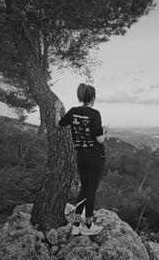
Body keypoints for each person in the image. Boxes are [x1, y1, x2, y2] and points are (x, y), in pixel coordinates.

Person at [54, 83, 108, 236]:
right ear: (93, 97)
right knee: (91, 190)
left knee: (84, 188)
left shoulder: (73, 112)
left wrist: (57, 109)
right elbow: (99, 139)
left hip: (81, 156)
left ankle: (77, 224)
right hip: (96, 156)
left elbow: (58, 124)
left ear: (81, 97)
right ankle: (89, 226)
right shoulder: (95, 114)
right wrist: (104, 134)